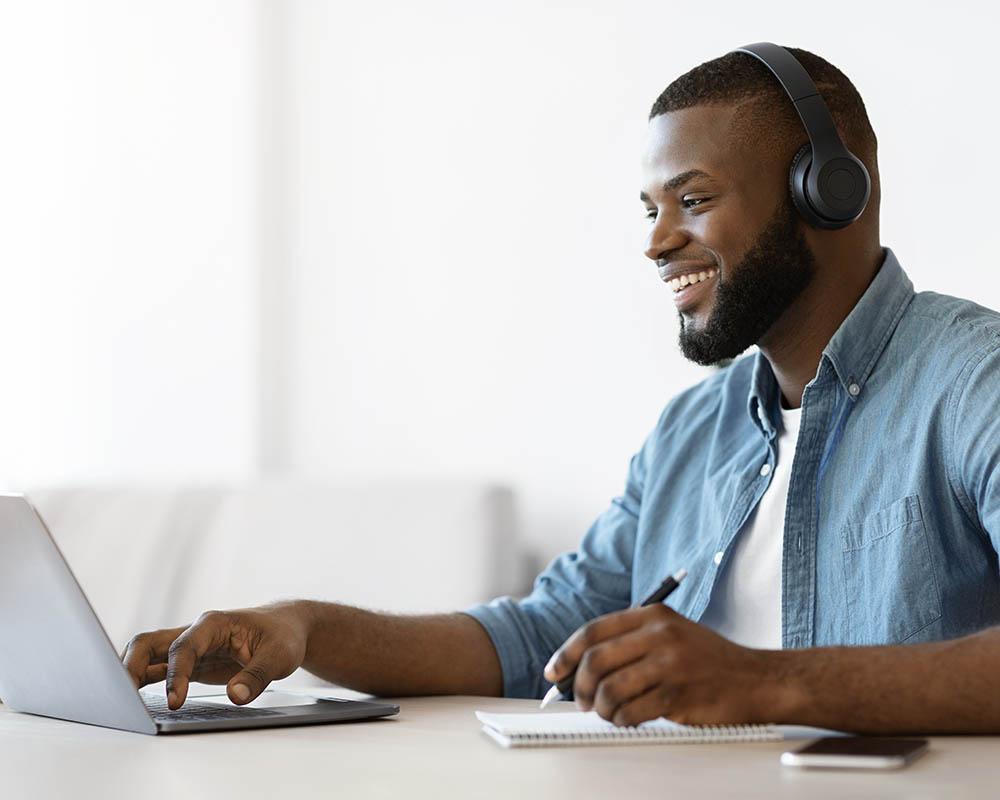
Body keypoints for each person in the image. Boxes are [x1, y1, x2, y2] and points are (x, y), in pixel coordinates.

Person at [122, 46, 1000, 734]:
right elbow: (543, 634)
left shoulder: (973, 380)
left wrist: (760, 682)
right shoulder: (692, 432)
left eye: (693, 200)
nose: (657, 241)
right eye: (650, 209)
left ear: (829, 193)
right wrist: (306, 628)